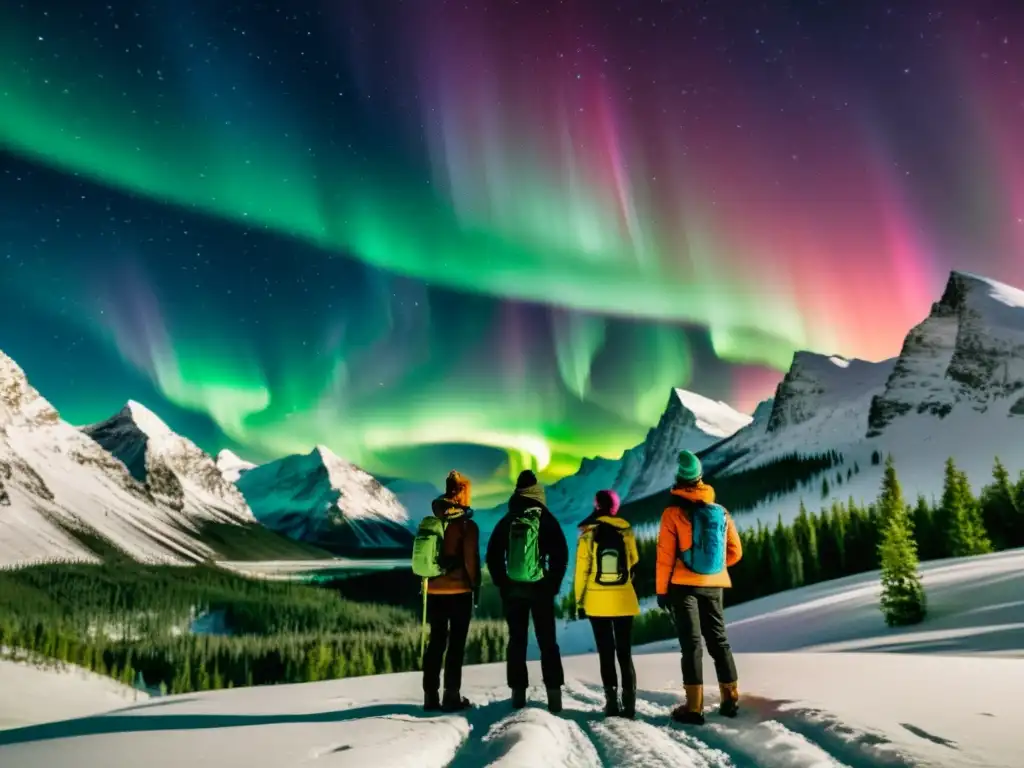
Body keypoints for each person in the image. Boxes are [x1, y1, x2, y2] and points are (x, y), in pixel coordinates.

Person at [655, 450, 743, 725]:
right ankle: (730, 699)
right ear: (700, 478)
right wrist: (715, 568)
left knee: (691, 645)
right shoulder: (721, 512)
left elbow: (665, 557)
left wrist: (661, 590)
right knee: (719, 640)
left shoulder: (672, 513)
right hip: (715, 585)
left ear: (679, 480)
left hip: (683, 585)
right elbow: (736, 552)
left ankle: (694, 708)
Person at [486, 469, 569, 713]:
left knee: (517, 641)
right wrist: (551, 584)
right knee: (548, 642)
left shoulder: (508, 519)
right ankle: (554, 696)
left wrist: (503, 582)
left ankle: (518, 695)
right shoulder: (545, 518)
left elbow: (492, 555)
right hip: (540, 591)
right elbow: (560, 555)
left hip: (514, 592)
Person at [573, 489, 640, 719]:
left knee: (606, 652)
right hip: (623, 600)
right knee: (625, 652)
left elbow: (582, 571)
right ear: (615, 507)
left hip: (597, 601)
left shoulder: (588, 533)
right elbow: (633, 561)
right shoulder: (626, 530)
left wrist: (579, 600)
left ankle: (611, 703)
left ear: (596, 506)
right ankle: (629, 704)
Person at [420, 470, 480, 712]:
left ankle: (430, 697)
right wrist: (475, 584)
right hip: (459, 592)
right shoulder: (466, 525)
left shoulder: (432, 522)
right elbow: (471, 562)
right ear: (465, 493)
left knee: (436, 642)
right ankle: (451, 696)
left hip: (433, 591)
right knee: (455, 644)